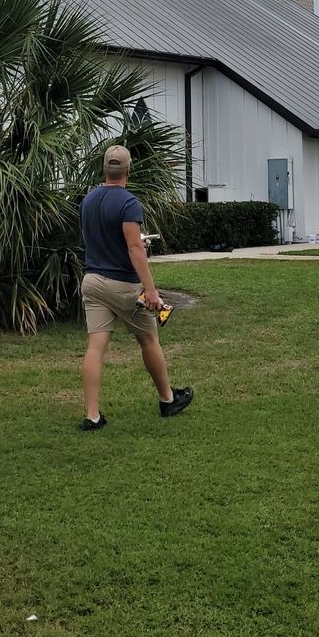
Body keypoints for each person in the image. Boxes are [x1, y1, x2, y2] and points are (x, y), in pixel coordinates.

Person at [78, 144, 193, 430]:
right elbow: (133, 248)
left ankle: (92, 416)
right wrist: (151, 290)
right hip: (123, 286)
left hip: (92, 282)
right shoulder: (129, 203)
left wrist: (133, 243)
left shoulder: (88, 200)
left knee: (96, 347)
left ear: (104, 169)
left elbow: (104, 239)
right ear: (128, 170)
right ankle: (168, 399)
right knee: (148, 340)